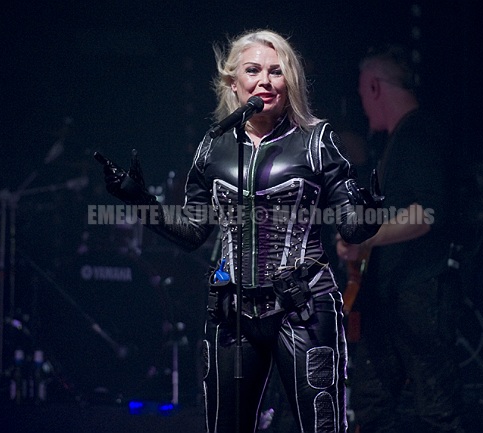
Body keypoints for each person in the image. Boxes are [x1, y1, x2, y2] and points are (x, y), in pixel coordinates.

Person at [97, 29, 382, 433]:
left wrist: (370, 212)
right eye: (253, 70)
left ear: (290, 82)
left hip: (303, 308)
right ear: (233, 82)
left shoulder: (316, 140)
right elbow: (193, 231)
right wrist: (140, 200)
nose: (265, 81)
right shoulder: (213, 146)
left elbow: (352, 228)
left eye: (276, 72)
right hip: (231, 313)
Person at [336, 44, 466, 433]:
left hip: (420, 291)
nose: (363, 106)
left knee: (436, 410)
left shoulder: (419, 134)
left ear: (375, 87)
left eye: (363, 93)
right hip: (391, 295)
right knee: (372, 406)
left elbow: (426, 214)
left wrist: (365, 238)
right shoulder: (395, 142)